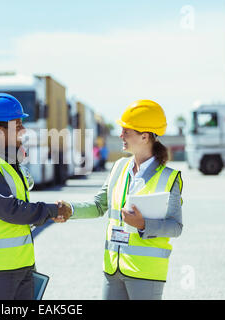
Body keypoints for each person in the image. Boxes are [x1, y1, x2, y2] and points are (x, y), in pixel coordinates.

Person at [54, 99, 183, 300]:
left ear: (145, 136)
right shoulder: (119, 167)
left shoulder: (169, 178)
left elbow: (176, 226)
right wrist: (70, 209)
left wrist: (143, 224)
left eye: (126, 131)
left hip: (145, 272)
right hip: (113, 268)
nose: (120, 135)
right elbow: (99, 205)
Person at [0, 93, 70, 300]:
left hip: (20, 264)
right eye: (17, 124)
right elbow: (11, 210)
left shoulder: (8, 164)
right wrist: (50, 210)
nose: (24, 130)